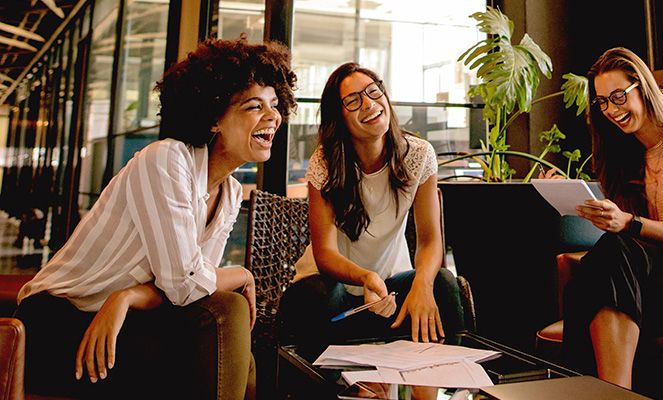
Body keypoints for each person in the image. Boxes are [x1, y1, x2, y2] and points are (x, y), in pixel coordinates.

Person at [14, 36, 297, 399]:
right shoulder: (166, 160)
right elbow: (186, 285)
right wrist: (242, 274)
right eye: (253, 106)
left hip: (124, 318)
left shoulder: (227, 193)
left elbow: (192, 292)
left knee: (227, 333)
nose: (272, 116)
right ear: (213, 117)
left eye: (274, 105)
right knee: (227, 314)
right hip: (57, 323)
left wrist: (127, 297)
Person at [278, 62, 464, 348]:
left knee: (443, 284)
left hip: (388, 294)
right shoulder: (326, 162)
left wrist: (422, 285)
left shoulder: (419, 155)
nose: (369, 104)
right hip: (334, 295)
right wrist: (366, 278)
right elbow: (324, 253)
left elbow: (429, 241)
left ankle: (446, 380)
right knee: (312, 294)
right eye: (353, 101)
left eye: (373, 92)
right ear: (338, 116)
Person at [562, 47, 663, 389]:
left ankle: (609, 394)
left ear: (643, 87)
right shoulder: (622, 153)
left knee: (609, 259)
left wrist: (628, 223)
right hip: (649, 279)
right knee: (606, 258)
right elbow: (628, 239)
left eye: (619, 96)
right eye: (603, 102)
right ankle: (613, 392)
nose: (611, 109)